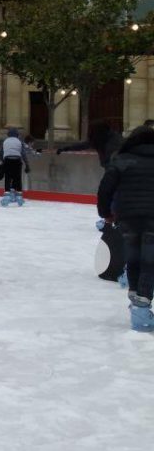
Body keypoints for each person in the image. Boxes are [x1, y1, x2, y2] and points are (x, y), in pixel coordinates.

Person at [96, 126, 154, 332]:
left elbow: (105, 188)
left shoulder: (121, 159)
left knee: (134, 257)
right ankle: (141, 307)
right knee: (149, 262)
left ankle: (136, 297)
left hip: (127, 216)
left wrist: (106, 213)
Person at [57, 119, 122, 167]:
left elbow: (115, 156)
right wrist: (65, 148)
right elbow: (82, 146)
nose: (91, 133)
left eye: (93, 131)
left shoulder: (114, 140)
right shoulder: (97, 139)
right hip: (110, 168)